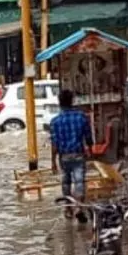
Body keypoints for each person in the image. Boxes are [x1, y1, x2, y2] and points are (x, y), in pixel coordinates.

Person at [49, 89, 93, 222]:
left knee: (66, 181)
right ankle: (79, 206)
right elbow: (88, 136)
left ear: (59, 103)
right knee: (79, 180)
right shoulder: (81, 117)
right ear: (72, 101)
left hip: (64, 156)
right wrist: (89, 148)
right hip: (78, 154)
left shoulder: (55, 121)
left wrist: (53, 161)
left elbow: (54, 144)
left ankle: (68, 209)